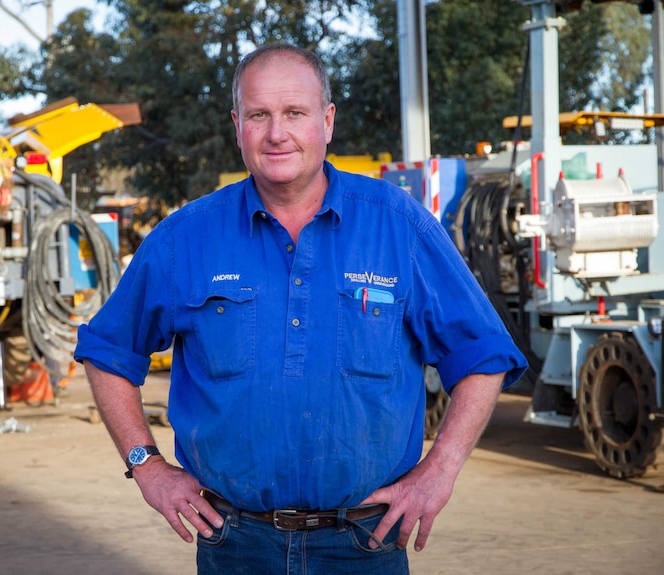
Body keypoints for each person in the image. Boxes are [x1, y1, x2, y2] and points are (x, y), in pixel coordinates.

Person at [75, 43, 527, 574]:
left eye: (295, 113)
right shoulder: (184, 238)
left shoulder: (397, 226)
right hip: (233, 544)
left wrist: (441, 469)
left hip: (366, 543)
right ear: (236, 124)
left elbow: (483, 354)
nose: (276, 133)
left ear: (327, 121)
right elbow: (107, 353)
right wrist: (146, 466)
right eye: (258, 114)